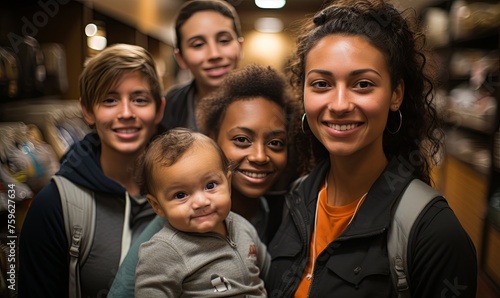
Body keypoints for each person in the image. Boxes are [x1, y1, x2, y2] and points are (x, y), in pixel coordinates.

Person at [266, 1, 478, 297]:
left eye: (363, 84)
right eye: (321, 84)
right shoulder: (297, 198)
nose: (339, 104)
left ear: (396, 95)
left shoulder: (434, 232)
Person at [107, 64, 302, 297]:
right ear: (212, 140)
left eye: (276, 143)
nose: (260, 156)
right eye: (241, 139)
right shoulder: (170, 230)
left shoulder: (269, 213)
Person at [18, 43, 165, 297]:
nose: (126, 113)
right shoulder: (55, 205)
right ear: (88, 111)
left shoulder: (185, 190)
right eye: (110, 100)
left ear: (159, 109)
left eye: (139, 99)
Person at [134, 128, 270, 297]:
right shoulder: (164, 251)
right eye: (181, 195)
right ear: (157, 206)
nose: (201, 202)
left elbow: (269, 272)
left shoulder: (242, 226)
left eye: (210, 186)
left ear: (227, 183)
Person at [161, 0, 244, 131]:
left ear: (240, 47)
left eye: (224, 40)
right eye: (198, 44)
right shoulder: (170, 105)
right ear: (180, 58)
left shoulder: (268, 104)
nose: (214, 54)